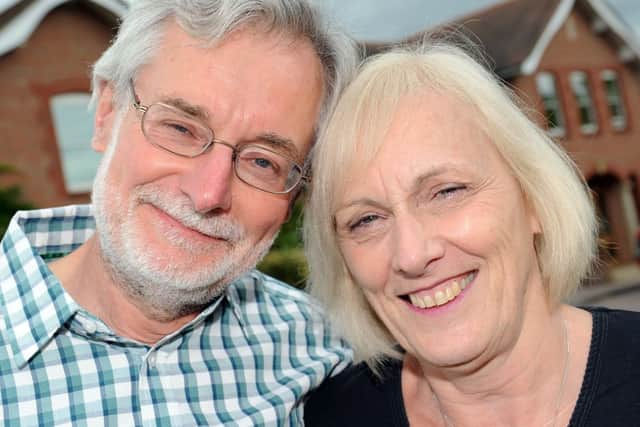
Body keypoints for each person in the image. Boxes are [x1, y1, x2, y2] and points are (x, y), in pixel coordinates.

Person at [0, 0, 358, 425]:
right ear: (105, 115)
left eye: (263, 162)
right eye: (180, 129)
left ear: (295, 196)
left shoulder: (318, 348)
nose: (209, 193)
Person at [303, 40, 640, 426]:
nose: (411, 254)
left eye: (447, 192)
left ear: (532, 199)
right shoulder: (331, 417)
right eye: (366, 220)